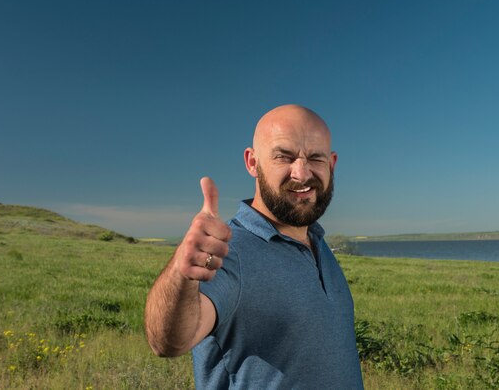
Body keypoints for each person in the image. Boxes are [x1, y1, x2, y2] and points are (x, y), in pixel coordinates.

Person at [144, 105, 363, 389]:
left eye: (315, 158)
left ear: (331, 164)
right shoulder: (230, 251)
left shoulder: (318, 242)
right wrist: (181, 273)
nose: (301, 173)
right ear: (252, 162)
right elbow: (168, 341)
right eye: (284, 156)